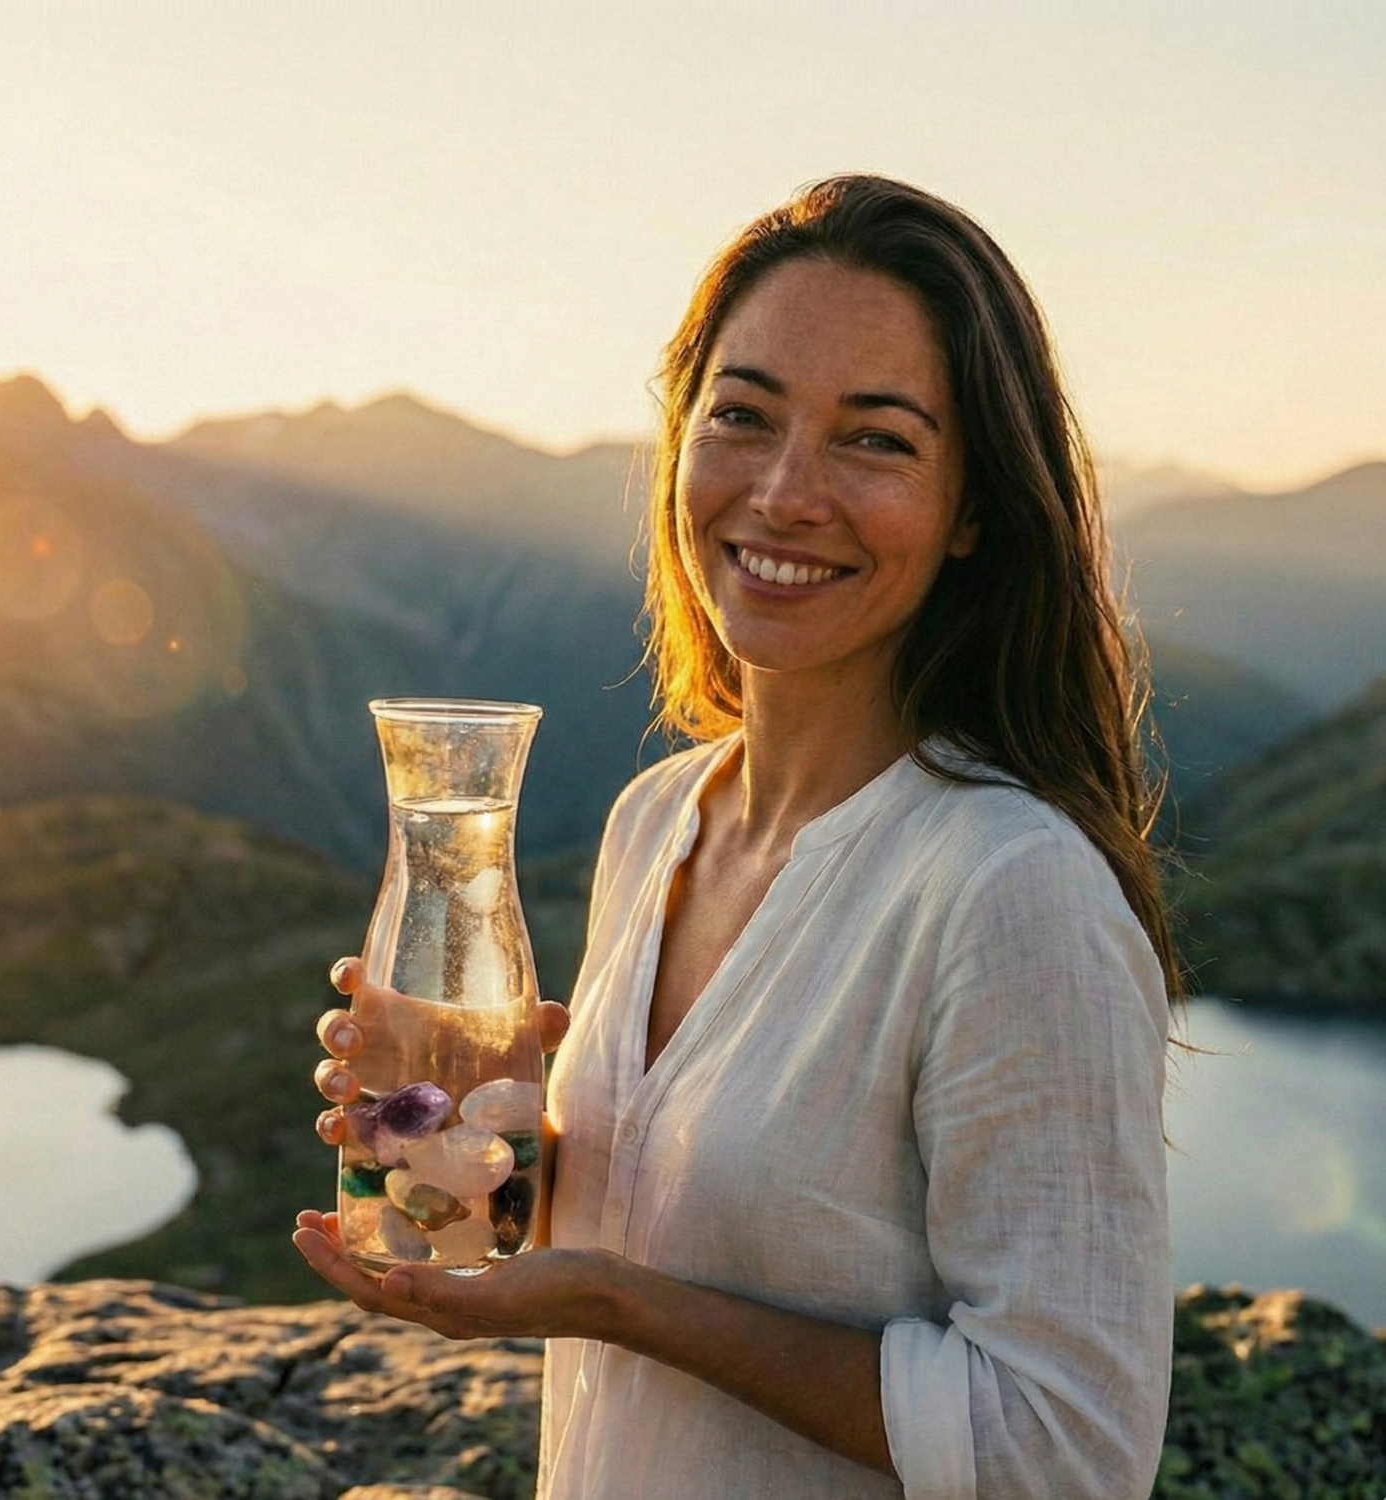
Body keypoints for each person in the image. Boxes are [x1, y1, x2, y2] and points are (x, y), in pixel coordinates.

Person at [295, 174, 1178, 1500]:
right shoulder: (657, 820)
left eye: (875, 440)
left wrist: (617, 1303)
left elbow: (1066, 1449)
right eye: (744, 416)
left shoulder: (1014, 890)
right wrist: (464, 1140)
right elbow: (690, 1219)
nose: (783, 492)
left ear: (973, 511)